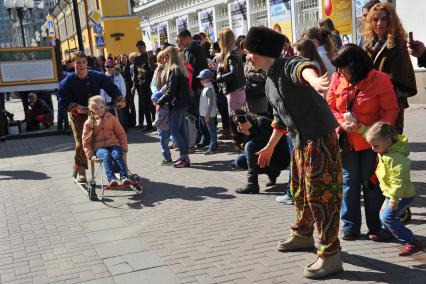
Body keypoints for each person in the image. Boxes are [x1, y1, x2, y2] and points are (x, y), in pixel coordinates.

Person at [244, 26, 342, 279]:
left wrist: (315, 80)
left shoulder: (287, 65)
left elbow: (302, 68)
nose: (247, 57)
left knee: (322, 197)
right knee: (299, 191)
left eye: (249, 52)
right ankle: (302, 235)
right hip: (299, 142)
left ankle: (331, 256)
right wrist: (269, 146)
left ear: (259, 52)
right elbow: (280, 120)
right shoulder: (268, 82)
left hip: (319, 139)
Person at [327, 44, 399, 241]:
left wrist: (381, 136)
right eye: (338, 68)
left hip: (372, 144)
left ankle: (377, 227)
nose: (340, 72)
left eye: (343, 67)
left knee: (372, 184)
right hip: (348, 142)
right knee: (349, 183)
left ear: (355, 65)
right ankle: (350, 226)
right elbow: (330, 106)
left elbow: (391, 109)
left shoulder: (380, 79)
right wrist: (342, 124)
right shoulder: (337, 78)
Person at [58, 51, 125, 183]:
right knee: (82, 142)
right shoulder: (67, 82)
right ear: (73, 64)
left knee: (106, 137)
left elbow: (111, 87)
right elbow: (62, 102)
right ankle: (81, 171)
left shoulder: (96, 76)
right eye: (78, 62)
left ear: (87, 63)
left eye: (83, 62)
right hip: (77, 114)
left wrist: (120, 99)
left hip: (95, 112)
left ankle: (115, 166)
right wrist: (76, 107)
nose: (81, 65)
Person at [365, 122, 422, 255]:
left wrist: (394, 199)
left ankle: (411, 241)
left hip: (401, 194)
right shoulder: (385, 148)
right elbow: (369, 134)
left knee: (387, 217)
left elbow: (399, 181)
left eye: (375, 145)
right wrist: (360, 128)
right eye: (371, 145)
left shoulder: (396, 158)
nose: (373, 149)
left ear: (388, 141)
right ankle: (386, 232)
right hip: (391, 192)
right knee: (383, 215)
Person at [363, 2, 417, 134]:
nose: (379, 23)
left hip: (391, 104)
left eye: (384, 19)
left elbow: (401, 79)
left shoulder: (397, 44)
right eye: (375, 19)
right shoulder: (371, 45)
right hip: (373, 104)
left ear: (391, 21)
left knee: (390, 145)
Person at [230, 110, 290, 194]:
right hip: (266, 158)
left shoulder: (262, 121)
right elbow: (251, 151)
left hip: (280, 158)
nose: (240, 122)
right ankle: (272, 173)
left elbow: (264, 144)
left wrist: (250, 130)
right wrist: (247, 133)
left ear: (247, 116)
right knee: (239, 160)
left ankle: (252, 184)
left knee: (249, 146)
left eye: (242, 119)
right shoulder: (243, 130)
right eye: (237, 122)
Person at [82, 96, 130, 186]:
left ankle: (124, 176)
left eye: (101, 107)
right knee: (106, 155)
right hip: (99, 147)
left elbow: (121, 133)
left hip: (113, 143)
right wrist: (90, 154)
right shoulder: (89, 123)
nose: (99, 110)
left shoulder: (111, 118)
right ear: (91, 109)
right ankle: (111, 178)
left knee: (117, 154)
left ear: (104, 107)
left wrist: (124, 147)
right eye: (96, 108)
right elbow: (85, 141)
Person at [156, 46, 191, 168]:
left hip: (178, 104)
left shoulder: (174, 70)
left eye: (165, 58)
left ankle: (184, 157)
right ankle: (184, 156)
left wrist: (159, 102)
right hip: (183, 103)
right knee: (181, 130)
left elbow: (171, 91)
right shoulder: (180, 69)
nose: (164, 61)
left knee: (175, 131)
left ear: (170, 57)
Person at [178, 30, 210, 147]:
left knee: (201, 112)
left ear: (187, 38)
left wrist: (199, 84)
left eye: (181, 40)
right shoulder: (187, 50)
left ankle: (205, 137)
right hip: (190, 86)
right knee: (195, 113)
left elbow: (200, 68)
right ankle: (198, 135)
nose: (181, 43)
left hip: (198, 86)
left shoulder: (197, 49)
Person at [216, 28, 246, 114]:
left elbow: (233, 73)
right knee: (237, 122)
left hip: (234, 93)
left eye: (219, 39)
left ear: (224, 40)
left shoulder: (231, 55)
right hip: (236, 92)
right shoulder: (233, 53)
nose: (218, 41)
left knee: (235, 122)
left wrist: (219, 77)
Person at [101, 59, 128, 131]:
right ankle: (114, 132)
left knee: (121, 117)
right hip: (108, 100)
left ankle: (122, 131)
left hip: (118, 99)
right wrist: (103, 101)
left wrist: (122, 99)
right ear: (105, 67)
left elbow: (123, 88)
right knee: (111, 117)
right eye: (107, 66)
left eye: (111, 66)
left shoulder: (118, 76)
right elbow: (102, 91)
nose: (109, 68)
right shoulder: (103, 77)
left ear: (113, 67)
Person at [134, 40, 155, 132]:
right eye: (138, 48)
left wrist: (146, 72)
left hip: (150, 83)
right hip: (141, 84)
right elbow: (135, 72)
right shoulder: (137, 59)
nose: (140, 49)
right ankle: (149, 125)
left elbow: (154, 70)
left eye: (141, 47)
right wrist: (134, 85)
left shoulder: (150, 57)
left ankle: (155, 123)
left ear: (145, 47)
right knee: (144, 105)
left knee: (152, 105)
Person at [197, 69, 218, 155]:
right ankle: (212, 145)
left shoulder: (209, 88)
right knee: (210, 130)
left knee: (212, 131)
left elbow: (210, 103)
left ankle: (213, 147)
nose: (201, 80)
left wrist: (207, 115)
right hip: (205, 114)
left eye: (203, 78)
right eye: (200, 79)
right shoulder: (206, 87)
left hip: (208, 115)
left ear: (209, 78)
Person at [151, 91, 172, 165]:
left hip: (164, 129)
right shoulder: (162, 106)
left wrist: (154, 123)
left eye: (154, 100)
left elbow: (160, 118)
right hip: (164, 128)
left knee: (163, 145)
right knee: (165, 145)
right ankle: (168, 158)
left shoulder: (162, 107)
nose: (153, 102)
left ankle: (167, 159)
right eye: (152, 101)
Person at [120, 53, 136, 128]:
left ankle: (133, 122)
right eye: (122, 58)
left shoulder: (130, 66)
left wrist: (133, 86)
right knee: (125, 105)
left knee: (131, 104)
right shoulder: (120, 67)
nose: (123, 59)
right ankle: (128, 121)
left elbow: (132, 78)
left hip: (129, 87)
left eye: (124, 58)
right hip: (123, 88)